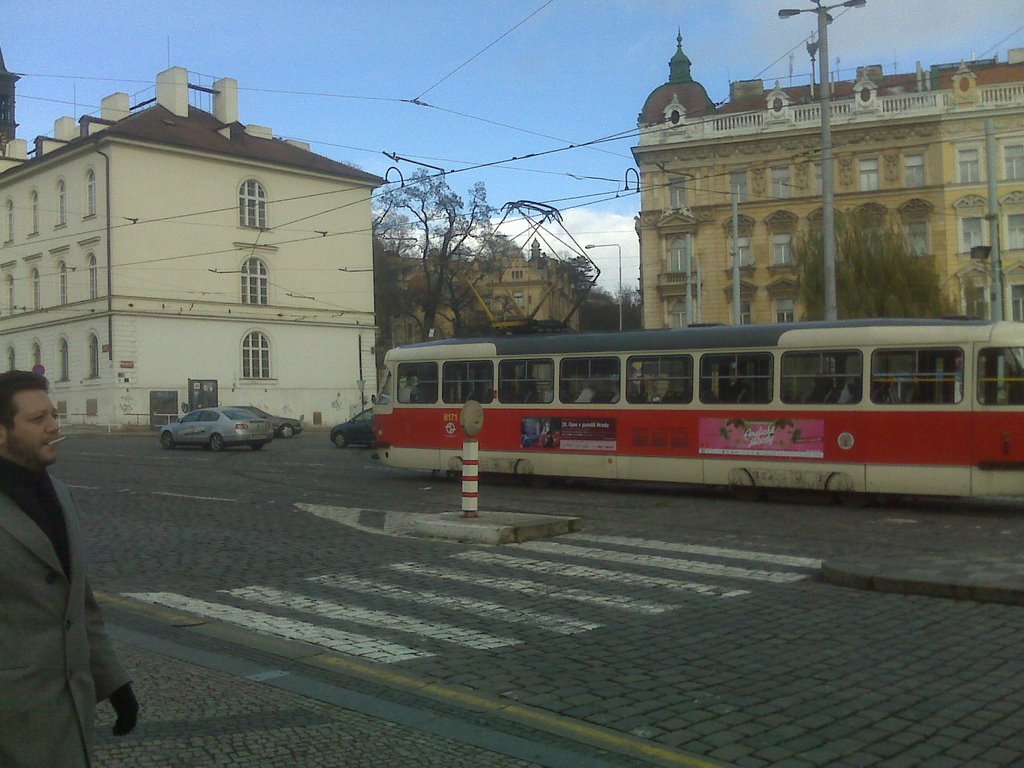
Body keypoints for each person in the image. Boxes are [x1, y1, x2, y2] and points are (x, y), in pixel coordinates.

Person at [0, 371, 138, 768]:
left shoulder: (58, 492)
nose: (53, 426)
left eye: (53, 414)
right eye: (37, 419)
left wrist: (113, 681)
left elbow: (79, 601)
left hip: (67, 715)